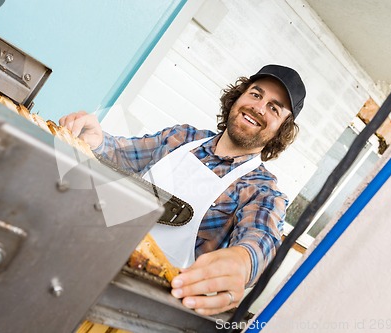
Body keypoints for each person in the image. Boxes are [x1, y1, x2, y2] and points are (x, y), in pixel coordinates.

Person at [59, 64, 306, 315]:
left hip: (141, 307)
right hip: (90, 258)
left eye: (274, 108)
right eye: (255, 94)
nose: (258, 107)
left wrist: (241, 262)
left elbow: (260, 239)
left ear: (281, 130)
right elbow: (121, 154)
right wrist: (95, 139)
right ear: (239, 96)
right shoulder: (182, 138)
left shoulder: (262, 192)